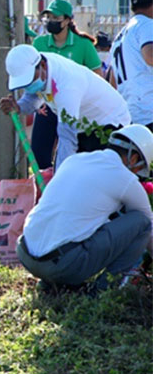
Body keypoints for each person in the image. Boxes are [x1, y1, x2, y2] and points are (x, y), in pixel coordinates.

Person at [16, 125, 153, 292]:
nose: (137, 174)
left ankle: (53, 283)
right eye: (139, 168)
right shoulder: (125, 179)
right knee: (142, 222)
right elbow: (149, 228)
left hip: (25, 253)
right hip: (62, 265)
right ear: (133, 158)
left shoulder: (75, 160)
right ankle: (102, 292)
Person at [0, 44, 131, 168]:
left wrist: (60, 178)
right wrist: (19, 107)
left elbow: (67, 138)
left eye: (30, 81)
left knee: (94, 173)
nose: (29, 87)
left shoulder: (67, 85)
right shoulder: (39, 68)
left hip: (108, 122)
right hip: (83, 123)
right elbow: (32, 97)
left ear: (43, 65)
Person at [31, 0, 102, 169]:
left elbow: (98, 77)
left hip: (75, 108)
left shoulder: (83, 45)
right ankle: (46, 182)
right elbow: (33, 75)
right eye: (48, 17)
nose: (51, 21)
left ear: (68, 20)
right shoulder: (39, 43)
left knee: (71, 151)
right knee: (38, 151)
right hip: (48, 105)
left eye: (56, 18)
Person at [109, 0, 153, 131]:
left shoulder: (120, 36)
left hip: (129, 116)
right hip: (149, 111)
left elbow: (112, 82)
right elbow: (150, 56)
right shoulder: (146, 24)